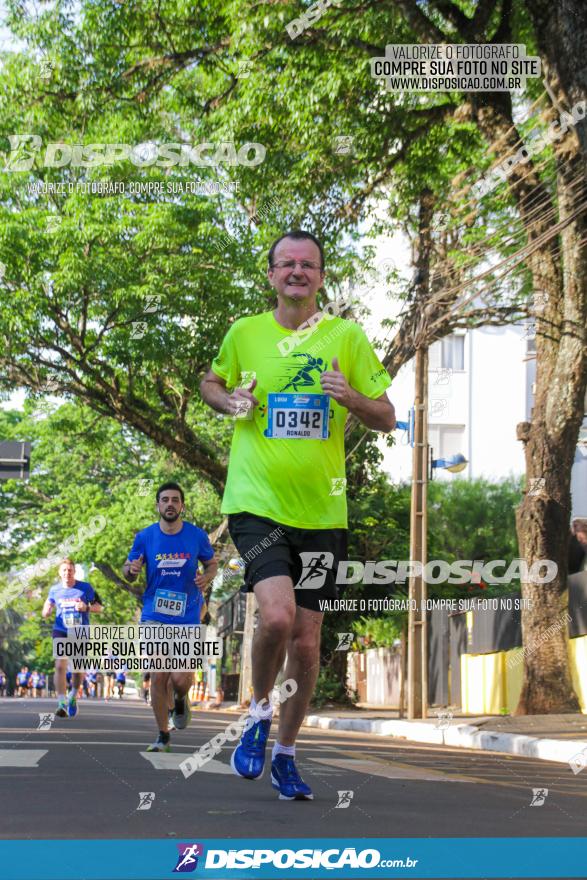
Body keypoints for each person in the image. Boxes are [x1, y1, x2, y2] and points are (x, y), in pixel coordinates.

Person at [200, 229, 394, 800]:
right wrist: (231, 400)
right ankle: (258, 715)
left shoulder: (346, 336)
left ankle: (285, 751)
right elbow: (211, 383)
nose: (296, 272)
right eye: (286, 264)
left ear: (321, 275)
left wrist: (351, 398)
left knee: (308, 642)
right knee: (278, 618)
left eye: (307, 265)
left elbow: (385, 414)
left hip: (322, 514)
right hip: (256, 506)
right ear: (270, 275)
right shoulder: (245, 333)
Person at [122, 481, 218, 752]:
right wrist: (132, 569)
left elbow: (212, 563)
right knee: (158, 674)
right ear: (158, 505)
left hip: (187, 615)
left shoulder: (197, 536)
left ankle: (180, 698)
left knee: (179, 679)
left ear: (182, 506)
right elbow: (128, 569)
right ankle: (163, 734)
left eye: (175, 500)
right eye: (165, 500)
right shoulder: (145, 537)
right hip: (155, 614)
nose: (170, 504)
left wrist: (207, 578)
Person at [41, 558, 103, 718]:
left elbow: (100, 607)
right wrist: (46, 610)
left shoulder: (85, 588)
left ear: (74, 572)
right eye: (64, 570)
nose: (67, 573)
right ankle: (61, 702)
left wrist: (87, 607)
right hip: (60, 630)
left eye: (70, 570)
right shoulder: (54, 590)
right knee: (60, 665)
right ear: (59, 573)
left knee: (77, 670)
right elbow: (47, 605)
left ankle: (73, 696)